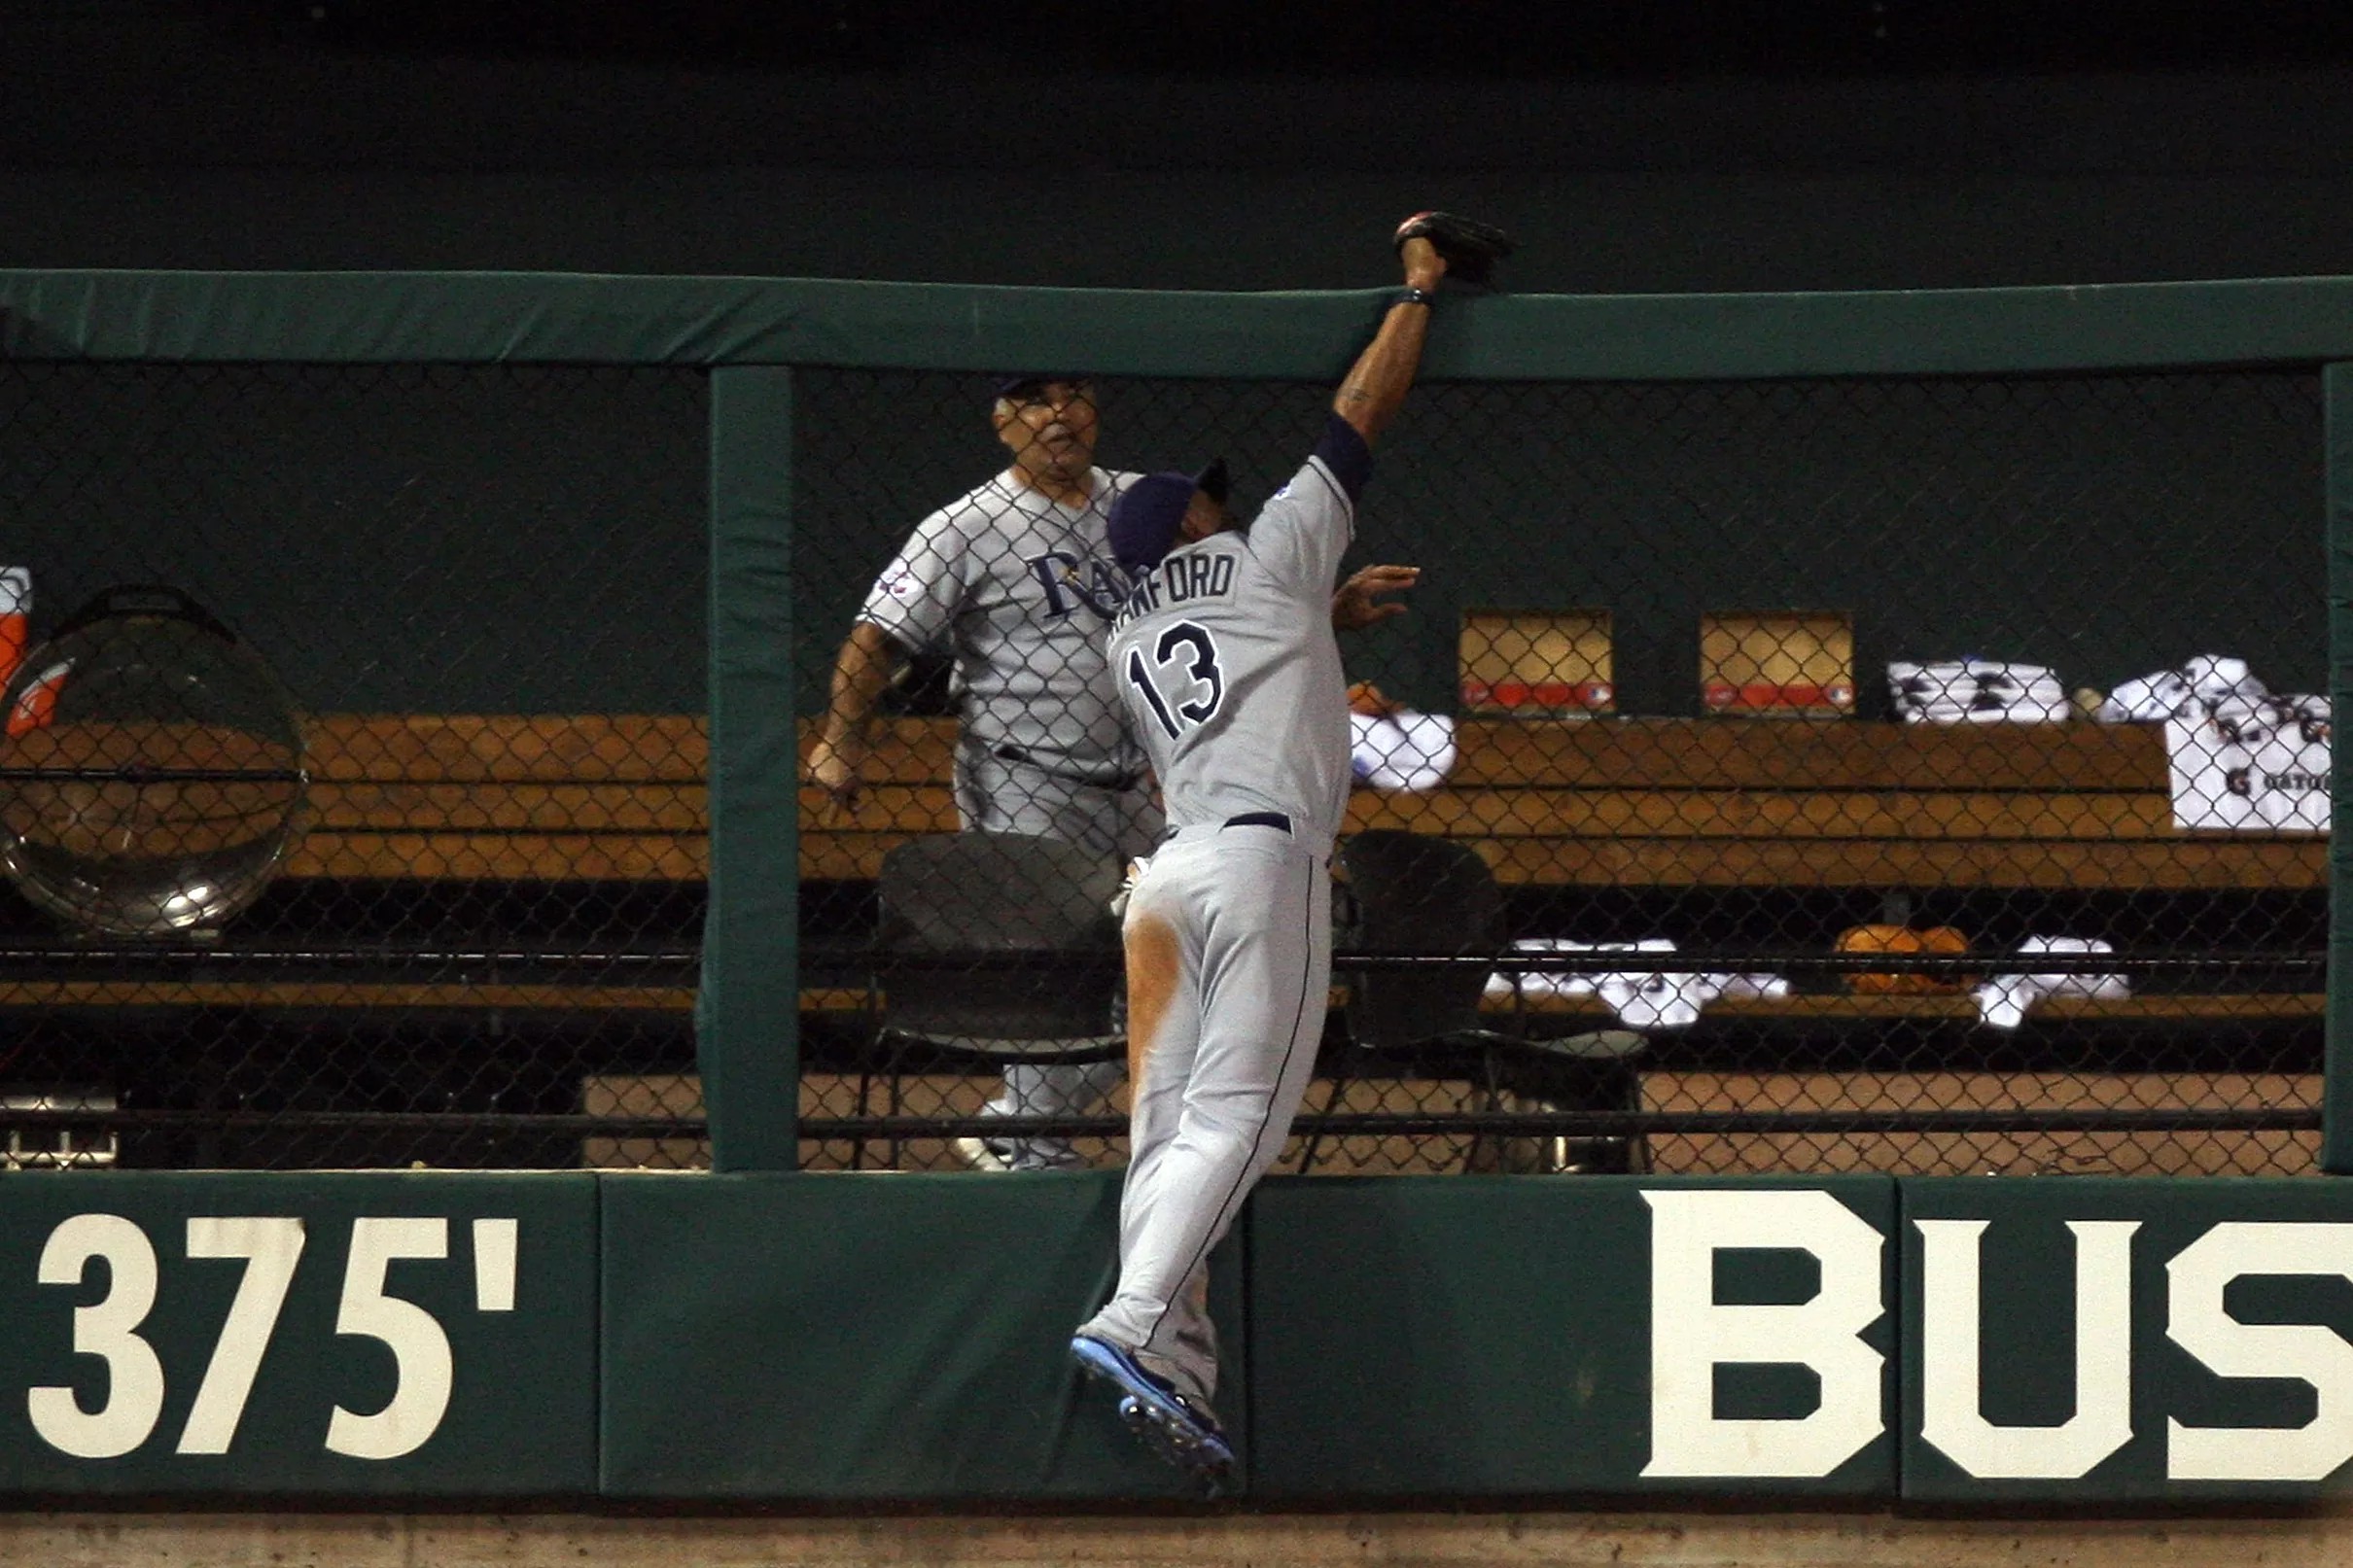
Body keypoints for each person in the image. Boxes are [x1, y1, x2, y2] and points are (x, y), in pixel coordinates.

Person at [806, 376, 1418, 1171]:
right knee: (1052, 966)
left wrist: (1319, 615)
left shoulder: (1143, 502)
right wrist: (840, 740)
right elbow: (876, 636)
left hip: (1147, 782)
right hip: (1024, 776)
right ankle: (1032, 1142)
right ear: (1002, 423)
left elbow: (1218, 618)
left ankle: (1029, 1121)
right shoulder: (964, 526)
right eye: (1034, 401)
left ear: (1096, 413)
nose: (1058, 414)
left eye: (1073, 397)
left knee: (1169, 974)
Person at [1068, 226, 1449, 1481]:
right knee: (1235, 1119)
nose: (1217, 497)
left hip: (1163, 884)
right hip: (1258, 872)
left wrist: (1318, 620)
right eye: (1204, 494)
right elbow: (1358, 417)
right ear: (1191, 519)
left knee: (1165, 1128)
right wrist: (1418, 292)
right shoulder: (1266, 553)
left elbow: (1229, 656)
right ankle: (1132, 1319)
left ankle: (1170, 1355)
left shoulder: (1125, 637)